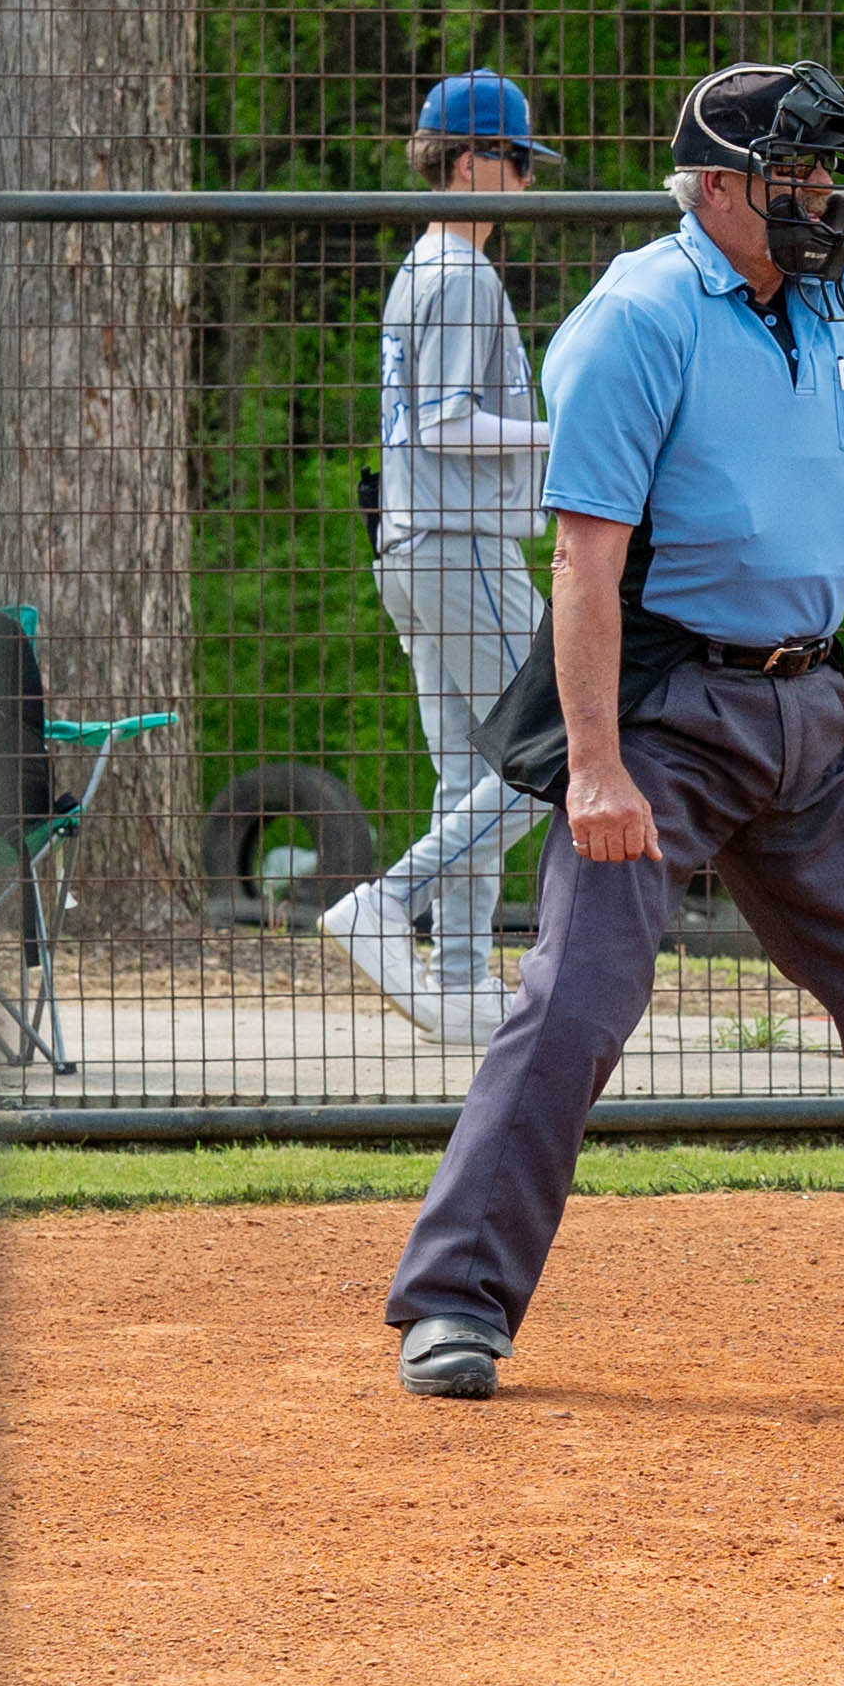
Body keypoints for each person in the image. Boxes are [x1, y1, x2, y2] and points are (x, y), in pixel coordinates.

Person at [380, 60, 844, 1397]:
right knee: (579, 1002)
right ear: (716, 187)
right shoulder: (637, 318)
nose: (824, 198)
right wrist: (594, 769)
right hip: (665, 712)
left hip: (812, 714)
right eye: (795, 175)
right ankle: (457, 1300)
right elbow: (584, 565)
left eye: (830, 170)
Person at [326, 68, 547, 1048]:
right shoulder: (461, 271)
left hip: (415, 545)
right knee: (562, 750)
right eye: (517, 162)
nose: (529, 185)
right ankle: (390, 898)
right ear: (469, 162)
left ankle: (459, 983)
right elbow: (453, 423)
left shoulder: (424, 264)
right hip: (459, 543)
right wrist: (562, 435)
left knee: (469, 769)